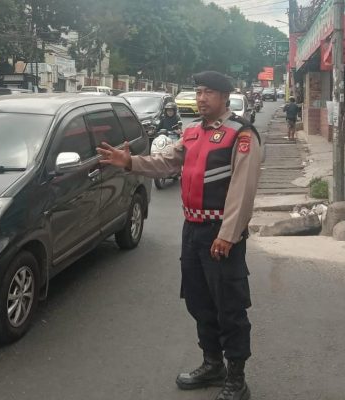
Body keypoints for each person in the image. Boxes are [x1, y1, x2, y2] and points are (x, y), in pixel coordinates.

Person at [97, 71, 261, 400]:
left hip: (221, 235)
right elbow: (166, 162)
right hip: (193, 232)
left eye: (209, 93)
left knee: (229, 306)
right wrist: (130, 162)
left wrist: (227, 236)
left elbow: (242, 192)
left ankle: (236, 377)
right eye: (199, 92)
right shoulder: (192, 134)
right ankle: (212, 363)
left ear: (225, 97)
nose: (202, 98)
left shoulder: (240, 135)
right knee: (200, 302)